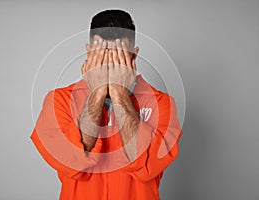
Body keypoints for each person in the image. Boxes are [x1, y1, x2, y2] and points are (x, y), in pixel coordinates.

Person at [30, 9, 183, 200]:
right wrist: (97, 92)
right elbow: (73, 162)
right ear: (89, 53)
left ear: (133, 57)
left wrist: (119, 95)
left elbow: (146, 166)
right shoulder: (58, 101)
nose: (110, 64)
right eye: (102, 55)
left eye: (119, 56)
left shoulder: (162, 104)